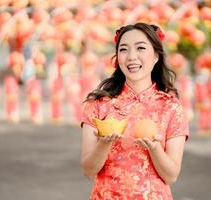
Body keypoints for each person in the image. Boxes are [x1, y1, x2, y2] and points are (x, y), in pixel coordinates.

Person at [81, 22, 189, 200]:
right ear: (117, 57)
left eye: (140, 48)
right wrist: (104, 144)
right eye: (123, 49)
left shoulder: (171, 107)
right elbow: (88, 170)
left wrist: (155, 149)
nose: (131, 56)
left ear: (155, 56)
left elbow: (171, 176)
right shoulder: (99, 104)